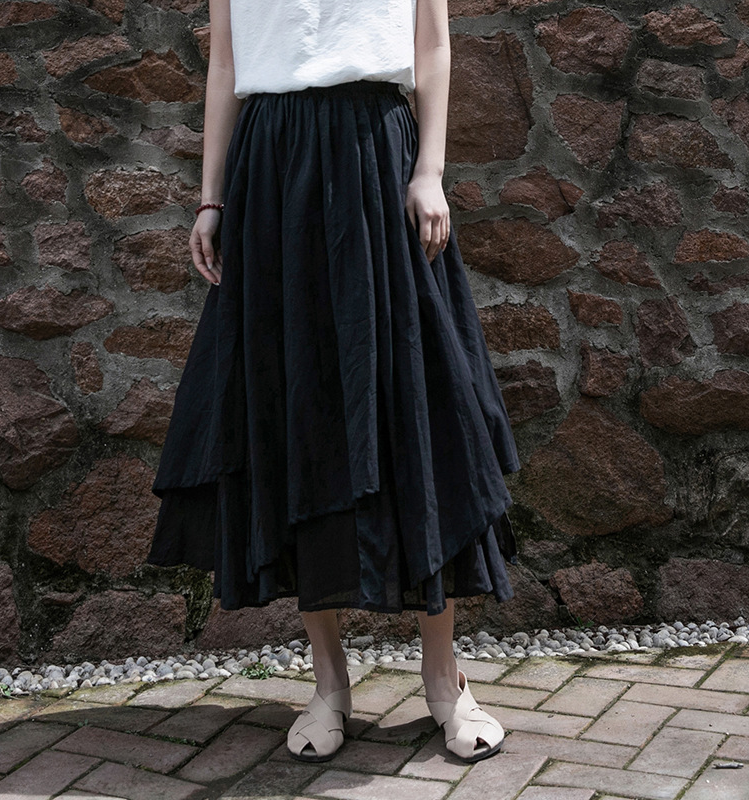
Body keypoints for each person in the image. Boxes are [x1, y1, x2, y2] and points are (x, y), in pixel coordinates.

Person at [146, 0, 521, 764]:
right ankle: (328, 684)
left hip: (376, 158)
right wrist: (211, 196)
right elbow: (226, 64)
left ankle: (444, 682)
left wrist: (430, 171)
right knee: (290, 407)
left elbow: (432, 44)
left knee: (415, 402)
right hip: (272, 169)